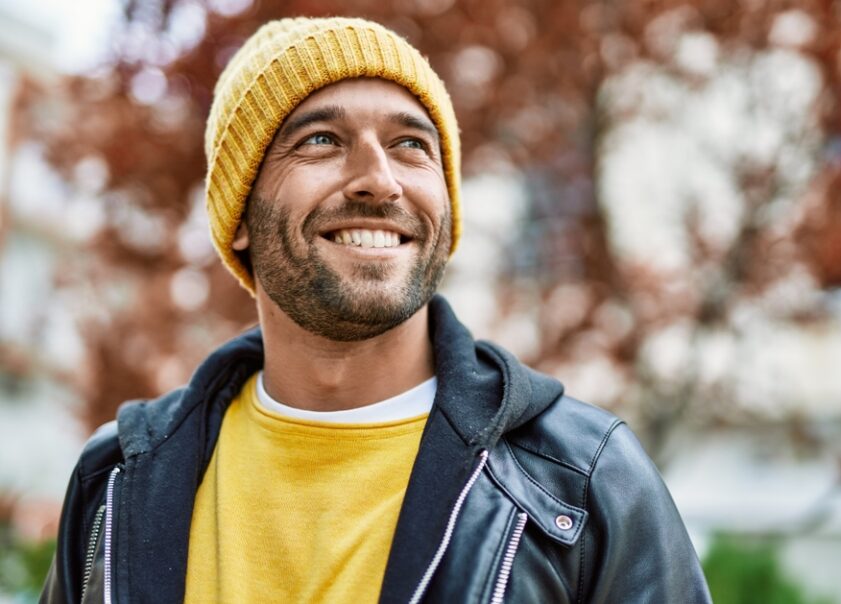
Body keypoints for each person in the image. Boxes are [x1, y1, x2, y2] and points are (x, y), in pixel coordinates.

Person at [42, 16, 710, 604]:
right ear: (239, 213)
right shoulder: (117, 481)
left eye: (411, 145)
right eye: (322, 141)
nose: (379, 179)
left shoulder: (581, 481)